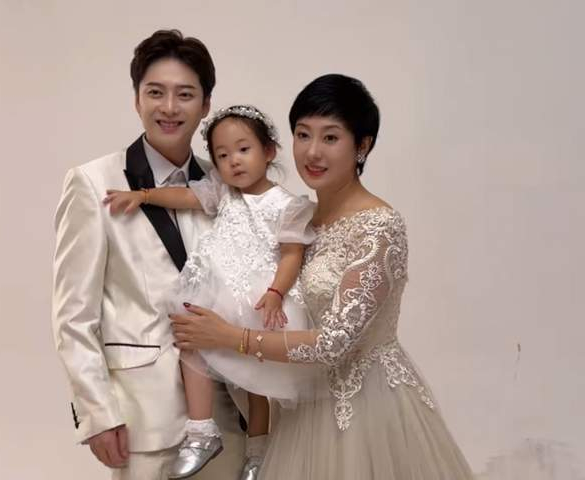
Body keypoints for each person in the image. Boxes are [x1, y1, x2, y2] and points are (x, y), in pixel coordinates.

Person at [168, 74, 475, 479]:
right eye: (303, 134)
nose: (312, 152)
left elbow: (334, 343)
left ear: (362, 146)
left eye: (330, 137)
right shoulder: (299, 219)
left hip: (368, 410)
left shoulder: (379, 226)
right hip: (303, 410)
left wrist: (229, 337)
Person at [52, 29, 244, 480]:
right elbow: (73, 315)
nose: (169, 107)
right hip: (142, 415)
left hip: (228, 411)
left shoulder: (228, 186)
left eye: (185, 94)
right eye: (155, 92)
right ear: (136, 99)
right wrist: (97, 413)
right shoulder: (92, 183)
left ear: (206, 104)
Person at [104, 104, 315, 480]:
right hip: (219, 291)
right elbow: (185, 197)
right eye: (222, 155)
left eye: (243, 150)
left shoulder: (289, 206)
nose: (234, 161)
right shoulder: (223, 192)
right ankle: (201, 431)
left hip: (257, 298)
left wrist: (275, 292)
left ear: (269, 151)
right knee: (191, 342)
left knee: (257, 383)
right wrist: (145, 196)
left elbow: (291, 255)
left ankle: (258, 452)